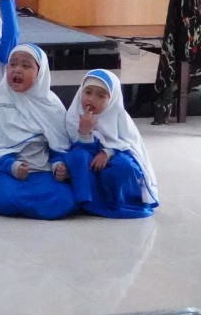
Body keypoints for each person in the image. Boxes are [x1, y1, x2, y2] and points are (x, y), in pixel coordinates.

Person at [0, 44, 75, 220]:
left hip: (43, 171)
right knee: (4, 200)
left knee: (65, 200)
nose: (17, 70)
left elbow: (60, 145)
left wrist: (59, 165)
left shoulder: (51, 105)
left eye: (26, 66)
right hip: (9, 172)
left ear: (40, 72)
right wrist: (11, 166)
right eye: (12, 64)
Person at [64, 70, 158, 219]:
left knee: (125, 166)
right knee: (78, 157)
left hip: (115, 155)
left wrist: (108, 152)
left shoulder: (119, 117)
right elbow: (71, 145)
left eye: (101, 96)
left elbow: (128, 145)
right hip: (86, 155)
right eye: (87, 92)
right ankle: (87, 202)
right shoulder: (73, 116)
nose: (91, 99)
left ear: (112, 99)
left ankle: (120, 202)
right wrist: (84, 132)